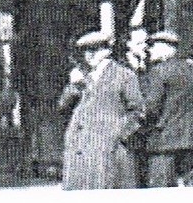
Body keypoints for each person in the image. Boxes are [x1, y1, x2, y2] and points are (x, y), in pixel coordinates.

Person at [59, 30, 145, 191]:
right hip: (79, 150)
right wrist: (73, 87)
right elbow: (62, 107)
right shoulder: (82, 77)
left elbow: (138, 112)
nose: (89, 56)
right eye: (86, 51)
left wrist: (117, 135)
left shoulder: (124, 75)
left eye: (95, 50)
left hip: (107, 152)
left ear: (107, 51)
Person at [139, 30, 193, 188]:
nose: (150, 51)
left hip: (163, 143)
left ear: (164, 48)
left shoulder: (159, 71)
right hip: (191, 141)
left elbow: (151, 108)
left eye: (153, 46)